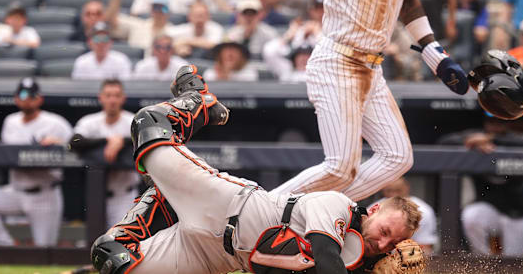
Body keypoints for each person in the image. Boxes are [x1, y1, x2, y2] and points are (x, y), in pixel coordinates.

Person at [91, 66, 422, 274]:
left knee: (111, 260)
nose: (384, 243)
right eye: (385, 230)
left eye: (393, 242)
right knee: (149, 123)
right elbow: (323, 251)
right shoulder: (340, 207)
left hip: (216, 257)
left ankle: (163, 198)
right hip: (225, 204)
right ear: (374, 209)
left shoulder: (359, 259)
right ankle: (199, 99)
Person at [260, 0, 468, 201]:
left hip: (371, 69)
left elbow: (409, 1)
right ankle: (260, 210)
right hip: (338, 61)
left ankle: (324, 209)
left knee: (398, 156)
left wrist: (434, 54)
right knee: (341, 167)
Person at [0, 78, 72, 246]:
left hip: (44, 194)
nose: (27, 98)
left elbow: (78, 143)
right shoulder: (10, 121)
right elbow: (9, 150)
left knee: (44, 252)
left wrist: (60, 144)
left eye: (32, 95)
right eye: (23, 94)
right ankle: (7, 246)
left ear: (40, 99)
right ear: (16, 98)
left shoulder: (55, 122)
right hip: (15, 190)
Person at [440, 114, 523, 256]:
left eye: (500, 122)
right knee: (471, 216)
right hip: (490, 208)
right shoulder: (475, 138)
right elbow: (444, 141)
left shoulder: (516, 139)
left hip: (518, 211)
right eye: (492, 121)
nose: (495, 125)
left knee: (514, 263)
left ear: (507, 124)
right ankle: (483, 263)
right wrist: (470, 141)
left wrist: (490, 139)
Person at [73, 79, 138, 228]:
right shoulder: (90, 121)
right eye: (108, 95)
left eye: (116, 95)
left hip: (124, 195)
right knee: (95, 243)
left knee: (120, 243)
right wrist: (107, 141)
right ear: (101, 97)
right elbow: (74, 142)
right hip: (95, 195)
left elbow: (147, 139)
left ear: (123, 98)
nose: (112, 100)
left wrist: (123, 140)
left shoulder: (132, 120)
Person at [108, 0, 175, 52]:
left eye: (164, 8)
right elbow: (111, 20)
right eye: (156, 7)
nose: (159, 12)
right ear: (151, 10)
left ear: (169, 12)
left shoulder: (174, 31)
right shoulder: (138, 25)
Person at [371, 177, 438, 255]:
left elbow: (426, 247)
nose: (393, 195)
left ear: (407, 188)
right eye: (389, 191)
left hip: (411, 258)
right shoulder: (374, 209)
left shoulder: (424, 211)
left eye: (398, 190)